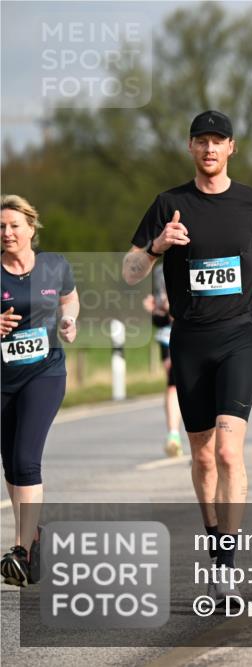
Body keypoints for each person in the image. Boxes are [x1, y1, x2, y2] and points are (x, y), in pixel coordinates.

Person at [122, 110, 252, 607]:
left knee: (228, 452)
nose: (209, 149)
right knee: (202, 454)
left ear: (232, 148)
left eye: (218, 141)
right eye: (201, 141)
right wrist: (158, 246)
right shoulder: (169, 203)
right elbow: (130, 271)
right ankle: (214, 544)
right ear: (190, 148)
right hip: (190, 340)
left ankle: (227, 569)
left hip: (241, 335)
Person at [0, 195, 79, 587]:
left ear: (32, 227)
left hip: (45, 372)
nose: (8, 233)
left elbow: (70, 300)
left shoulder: (54, 266)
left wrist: (69, 321)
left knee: (27, 460)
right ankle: (32, 539)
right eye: (2, 227)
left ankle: (21, 551)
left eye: (15, 225)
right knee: (11, 466)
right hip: (2, 377)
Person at [144, 264, 183, 457]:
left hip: (194, 335)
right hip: (168, 337)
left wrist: (173, 308)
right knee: (172, 384)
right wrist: (154, 310)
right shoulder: (160, 271)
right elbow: (159, 318)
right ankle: (173, 435)